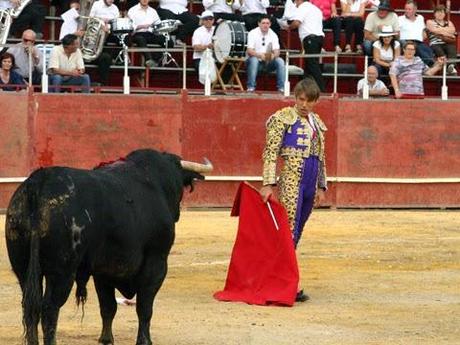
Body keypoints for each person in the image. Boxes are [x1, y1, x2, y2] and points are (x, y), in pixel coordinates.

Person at [259, 78, 327, 302]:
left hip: (310, 180)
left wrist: (321, 186)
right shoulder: (282, 118)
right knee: (288, 231)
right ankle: (283, 283)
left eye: (309, 101)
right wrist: (268, 183)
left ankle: (283, 279)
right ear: (295, 97)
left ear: (316, 101)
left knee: (296, 232)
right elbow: (270, 152)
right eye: (301, 99)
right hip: (292, 178)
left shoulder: (317, 122)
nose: (304, 104)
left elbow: (321, 156)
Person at [288, 0, 325, 92]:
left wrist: (288, 27)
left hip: (310, 39)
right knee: (309, 66)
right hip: (318, 38)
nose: (295, 3)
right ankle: (305, 89)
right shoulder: (315, 9)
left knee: (312, 64)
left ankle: (322, 89)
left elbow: (296, 23)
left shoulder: (303, 7)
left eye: (295, 1)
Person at [246, 15, 285, 93]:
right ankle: (251, 87)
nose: (265, 25)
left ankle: (281, 88)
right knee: (254, 60)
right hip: (255, 61)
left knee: (280, 60)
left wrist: (272, 56)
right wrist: (260, 55)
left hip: (268, 62)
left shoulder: (273, 34)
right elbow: (249, 50)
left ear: (270, 24)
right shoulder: (252, 33)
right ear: (259, 24)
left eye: (267, 23)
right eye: (263, 23)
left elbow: (277, 51)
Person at [128, 0, 173, 67]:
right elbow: (130, 26)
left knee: (168, 41)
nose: (145, 0)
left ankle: (156, 59)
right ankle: (149, 59)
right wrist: (141, 26)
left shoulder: (153, 11)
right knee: (140, 39)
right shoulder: (132, 10)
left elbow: (158, 24)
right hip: (138, 33)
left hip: (151, 33)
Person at [398, 0, 433, 66]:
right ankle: (429, 64)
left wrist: (424, 36)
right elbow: (397, 33)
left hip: (419, 42)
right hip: (406, 42)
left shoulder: (420, 18)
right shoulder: (400, 19)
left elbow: (423, 31)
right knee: (416, 48)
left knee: (428, 49)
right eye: (406, 9)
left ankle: (427, 64)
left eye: (409, 9)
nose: (407, 11)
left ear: (415, 9)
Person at [426, 5, 457, 75]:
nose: (440, 14)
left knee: (452, 48)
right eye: (438, 12)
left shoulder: (449, 22)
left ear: (444, 14)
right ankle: (447, 69)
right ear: (434, 14)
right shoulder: (430, 22)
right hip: (435, 44)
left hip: (447, 42)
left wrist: (439, 30)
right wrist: (447, 32)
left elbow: (453, 30)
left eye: (442, 12)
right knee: (438, 50)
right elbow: (434, 30)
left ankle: (451, 66)